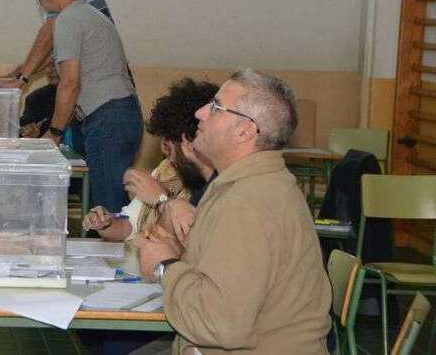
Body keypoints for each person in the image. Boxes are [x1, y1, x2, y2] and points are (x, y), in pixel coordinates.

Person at [137, 70, 332, 354]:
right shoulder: (258, 184)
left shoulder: (245, 202)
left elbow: (220, 325)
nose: (201, 113)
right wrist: (184, 254)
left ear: (245, 131)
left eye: (216, 107)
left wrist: (165, 266)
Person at [37, 0, 142, 213]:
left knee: (107, 211)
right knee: (109, 204)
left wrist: (54, 133)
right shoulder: (91, 14)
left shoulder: (68, 19)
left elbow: (70, 83)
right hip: (121, 115)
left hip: (107, 120)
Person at [83, 78, 217, 244]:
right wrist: (106, 224)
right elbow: (130, 226)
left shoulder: (215, 185)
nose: (168, 156)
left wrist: (161, 200)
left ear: (189, 143)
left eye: (171, 146)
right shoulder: (167, 170)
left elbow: (188, 246)